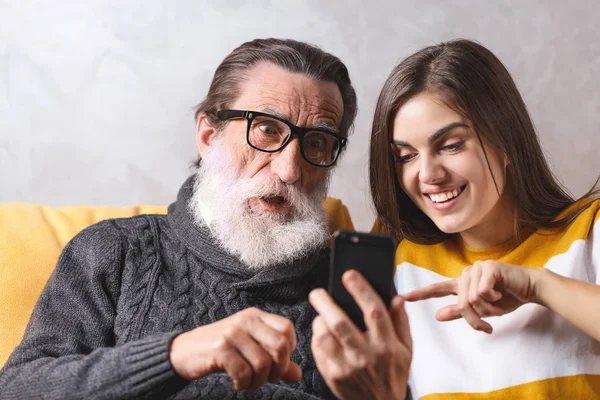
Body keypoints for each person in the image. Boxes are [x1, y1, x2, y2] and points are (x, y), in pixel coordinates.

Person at [0, 38, 412, 399]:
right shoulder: (113, 251)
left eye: (317, 142)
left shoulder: (352, 293)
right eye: (267, 129)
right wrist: (176, 355)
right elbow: (19, 389)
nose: (289, 170)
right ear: (208, 134)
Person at [369, 38, 600, 399]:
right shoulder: (399, 257)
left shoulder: (589, 232)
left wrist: (538, 286)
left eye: (451, 145)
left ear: (506, 139)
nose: (427, 174)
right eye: (406, 156)